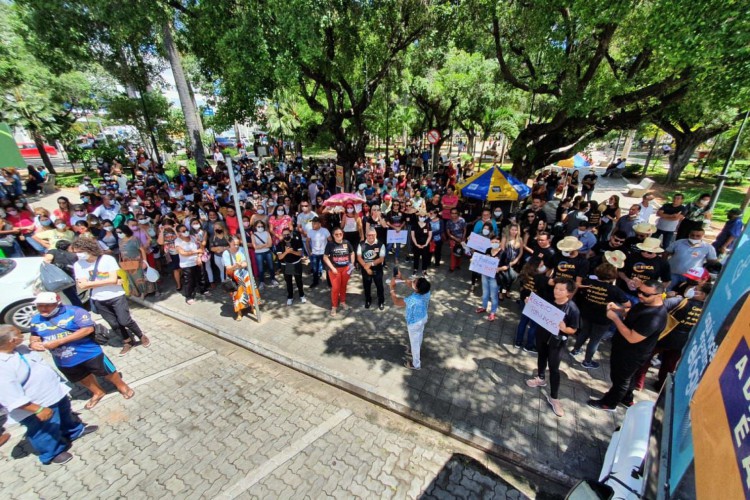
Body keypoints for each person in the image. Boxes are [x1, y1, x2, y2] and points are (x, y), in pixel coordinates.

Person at [0, 325, 98, 465]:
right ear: (12, 340)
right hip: (36, 404)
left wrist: (34, 343)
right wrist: (37, 409)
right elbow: (10, 396)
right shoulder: (2, 367)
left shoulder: (18, 349)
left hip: (53, 393)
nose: (23, 335)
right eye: (20, 334)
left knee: (65, 416)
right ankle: (52, 453)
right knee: (43, 430)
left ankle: (74, 432)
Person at [29, 293, 134, 410]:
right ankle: (98, 392)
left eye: (47, 305)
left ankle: (121, 386)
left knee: (107, 372)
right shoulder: (36, 320)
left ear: (57, 303)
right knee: (82, 377)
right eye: (39, 306)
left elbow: (87, 329)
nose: (43, 309)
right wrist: (34, 343)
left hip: (89, 353)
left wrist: (59, 342)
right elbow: (34, 335)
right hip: (64, 360)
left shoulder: (74, 312)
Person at [588, 280, 668, 411]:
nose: (640, 295)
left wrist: (615, 318)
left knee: (620, 379)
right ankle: (627, 399)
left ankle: (609, 403)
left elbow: (632, 337)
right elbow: (632, 311)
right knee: (629, 377)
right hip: (623, 348)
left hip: (632, 353)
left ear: (659, 295)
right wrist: (619, 309)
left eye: (646, 294)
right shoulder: (645, 304)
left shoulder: (655, 317)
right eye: (639, 291)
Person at [70, 238, 150, 356]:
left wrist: (92, 283)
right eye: (76, 252)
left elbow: (112, 279)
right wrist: (108, 282)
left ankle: (141, 335)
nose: (78, 254)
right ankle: (127, 341)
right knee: (114, 324)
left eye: (80, 251)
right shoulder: (78, 264)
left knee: (125, 320)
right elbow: (82, 285)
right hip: (98, 299)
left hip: (116, 296)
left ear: (89, 249)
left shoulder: (107, 259)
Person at [634, 282, 711, 391]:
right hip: (682, 342)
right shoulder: (707, 310)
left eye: (696, 288)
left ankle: (638, 383)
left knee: (646, 358)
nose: (692, 289)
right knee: (669, 365)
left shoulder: (680, 301)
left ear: (702, 294)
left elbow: (658, 307)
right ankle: (661, 386)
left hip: (664, 336)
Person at [526, 279, 580, 417]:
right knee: (541, 356)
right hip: (542, 335)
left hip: (557, 342)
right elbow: (537, 310)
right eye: (556, 288)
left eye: (561, 290)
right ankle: (540, 378)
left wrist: (564, 328)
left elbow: (574, 329)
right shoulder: (548, 300)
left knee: (554, 368)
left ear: (569, 292)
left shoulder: (572, 309)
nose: (557, 291)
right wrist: (529, 304)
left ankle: (554, 398)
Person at [570, 255, 630, 368]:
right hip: (603, 318)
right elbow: (628, 305)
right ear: (613, 277)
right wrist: (617, 309)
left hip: (586, 314)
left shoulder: (588, 283)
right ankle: (587, 361)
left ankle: (575, 350)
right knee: (595, 339)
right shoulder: (615, 290)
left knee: (584, 332)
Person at [390, 272, 432, 370]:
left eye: (414, 282)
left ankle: (416, 364)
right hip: (423, 317)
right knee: (419, 336)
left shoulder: (413, 299)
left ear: (417, 289)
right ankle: (415, 351)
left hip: (414, 323)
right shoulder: (426, 291)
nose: (412, 281)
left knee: (414, 342)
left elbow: (396, 302)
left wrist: (391, 288)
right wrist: (401, 278)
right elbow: (411, 284)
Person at [222, 236, 258, 321]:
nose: (236, 246)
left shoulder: (242, 249)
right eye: (234, 244)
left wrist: (241, 265)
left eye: (238, 244)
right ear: (229, 243)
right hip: (235, 277)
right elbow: (228, 268)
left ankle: (253, 307)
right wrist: (234, 266)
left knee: (250, 291)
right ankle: (239, 312)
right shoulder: (226, 253)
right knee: (237, 295)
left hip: (245, 274)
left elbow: (246, 262)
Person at [117, 224, 156, 297]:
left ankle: (145, 292)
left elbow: (142, 250)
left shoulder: (134, 239)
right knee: (132, 278)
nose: (119, 234)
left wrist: (145, 261)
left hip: (138, 262)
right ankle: (137, 291)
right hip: (127, 263)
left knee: (140, 277)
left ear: (125, 231)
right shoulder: (120, 241)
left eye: (120, 232)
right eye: (117, 233)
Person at [323, 228, 355, 316]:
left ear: (342, 234)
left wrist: (351, 264)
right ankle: (334, 306)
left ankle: (343, 302)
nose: (338, 236)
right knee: (335, 288)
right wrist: (332, 268)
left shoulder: (347, 243)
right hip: (335, 270)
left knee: (343, 286)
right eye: (336, 234)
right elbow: (325, 257)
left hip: (346, 269)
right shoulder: (330, 244)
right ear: (333, 235)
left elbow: (352, 253)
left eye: (340, 234)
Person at [173, 223, 205, 305]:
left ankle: (203, 290)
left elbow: (201, 249)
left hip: (197, 261)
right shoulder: (178, 241)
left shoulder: (193, 237)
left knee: (201, 277)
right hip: (187, 264)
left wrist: (198, 256)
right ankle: (189, 296)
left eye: (186, 230)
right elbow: (182, 253)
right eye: (183, 231)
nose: (186, 232)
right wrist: (195, 251)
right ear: (179, 233)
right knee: (189, 281)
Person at [474, 233, 502, 322]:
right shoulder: (488, 250)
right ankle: (483, 307)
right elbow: (483, 261)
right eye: (493, 241)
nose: (494, 243)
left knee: (493, 296)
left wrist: (499, 268)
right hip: (485, 274)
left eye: (497, 241)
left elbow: (507, 266)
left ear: (500, 242)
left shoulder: (503, 253)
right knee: (485, 293)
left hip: (494, 277)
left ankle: (493, 312)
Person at [357, 228, 386, 310]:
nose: (370, 237)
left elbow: (381, 258)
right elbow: (359, 257)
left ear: (376, 235)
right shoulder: (361, 244)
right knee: (366, 286)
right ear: (366, 235)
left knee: (379, 286)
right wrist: (366, 268)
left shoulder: (381, 244)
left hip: (377, 268)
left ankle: (381, 301)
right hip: (365, 268)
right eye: (369, 235)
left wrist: (371, 264)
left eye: (372, 235)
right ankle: (368, 300)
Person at [276, 228, 306, 306]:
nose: (286, 236)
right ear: (282, 235)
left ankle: (301, 294)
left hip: (296, 263)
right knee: (288, 281)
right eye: (284, 234)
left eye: (288, 234)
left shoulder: (296, 242)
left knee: (299, 280)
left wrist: (292, 251)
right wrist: (286, 252)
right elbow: (280, 257)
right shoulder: (280, 244)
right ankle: (290, 296)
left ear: (291, 234)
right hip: (286, 265)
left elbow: (299, 254)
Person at [251, 220, 278, 289]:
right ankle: (261, 282)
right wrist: (265, 245)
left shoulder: (267, 233)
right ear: (255, 227)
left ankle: (273, 279)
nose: (260, 227)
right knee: (260, 269)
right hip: (258, 254)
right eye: (258, 226)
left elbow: (270, 244)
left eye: (262, 226)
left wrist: (260, 246)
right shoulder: (253, 235)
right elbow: (255, 247)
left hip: (267, 252)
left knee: (271, 267)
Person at [306, 217, 330, 288]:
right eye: (312, 224)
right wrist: (309, 251)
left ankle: (330, 282)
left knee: (327, 268)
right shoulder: (310, 231)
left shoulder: (325, 231)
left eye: (315, 224)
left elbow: (330, 241)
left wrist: (329, 252)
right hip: (315, 254)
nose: (313, 225)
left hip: (324, 254)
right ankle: (315, 282)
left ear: (319, 224)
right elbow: (307, 242)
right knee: (315, 269)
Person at [410, 209, 432, 277]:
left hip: (425, 244)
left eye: (423, 216)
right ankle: (415, 269)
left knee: (425, 257)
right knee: (416, 257)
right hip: (416, 244)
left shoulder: (428, 224)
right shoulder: (414, 224)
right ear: (418, 216)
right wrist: (416, 244)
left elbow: (430, 235)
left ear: (426, 217)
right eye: (420, 216)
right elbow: (412, 235)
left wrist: (426, 244)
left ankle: (424, 270)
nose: (422, 218)